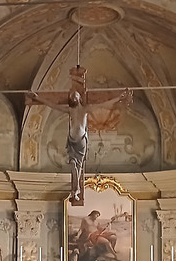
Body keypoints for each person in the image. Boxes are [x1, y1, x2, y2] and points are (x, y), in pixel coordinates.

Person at [26, 66, 131, 205]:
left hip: (81, 141)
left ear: (80, 98)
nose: (73, 97)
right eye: (71, 96)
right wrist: (38, 98)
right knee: (73, 165)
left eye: (75, 95)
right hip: (71, 140)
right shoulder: (69, 110)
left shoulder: (85, 110)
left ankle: (75, 191)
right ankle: (74, 191)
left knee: (78, 167)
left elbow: (103, 103)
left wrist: (118, 98)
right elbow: (52, 105)